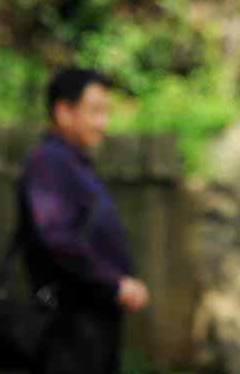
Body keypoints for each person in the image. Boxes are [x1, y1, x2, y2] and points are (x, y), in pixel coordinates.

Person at [17, 66, 150, 374]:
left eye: (106, 112)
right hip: (69, 325)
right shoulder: (49, 164)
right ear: (63, 112)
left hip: (90, 323)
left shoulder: (71, 163)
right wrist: (115, 282)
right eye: (95, 111)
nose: (103, 123)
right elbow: (58, 238)